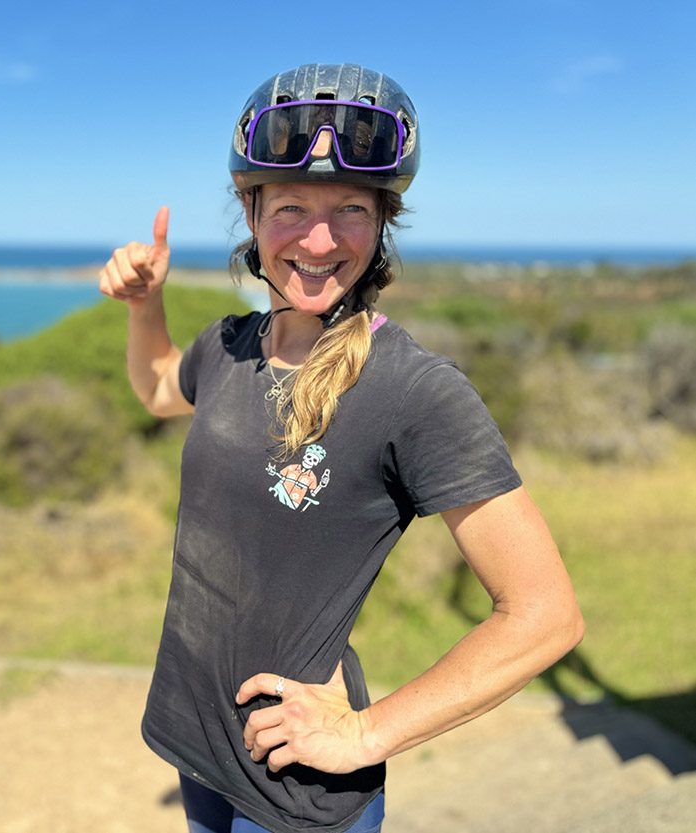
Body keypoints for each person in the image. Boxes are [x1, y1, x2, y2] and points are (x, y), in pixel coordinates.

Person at [99, 63, 584, 833]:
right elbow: (159, 389)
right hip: (198, 746)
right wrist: (143, 303)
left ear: (382, 222)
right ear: (250, 213)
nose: (319, 239)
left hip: (293, 794)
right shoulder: (230, 345)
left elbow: (544, 615)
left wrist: (366, 729)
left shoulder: (414, 391)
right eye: (290, 205)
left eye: (351, 210)